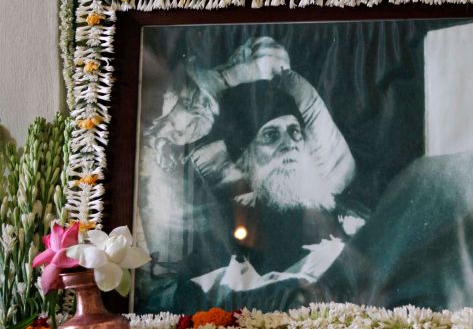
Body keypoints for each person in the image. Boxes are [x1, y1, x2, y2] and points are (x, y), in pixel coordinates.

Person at [142, 37, 367, 309]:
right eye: (271, 135)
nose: (290, 144)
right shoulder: (233, 231)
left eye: (295, 132)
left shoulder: (344, 212)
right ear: (246, 160)